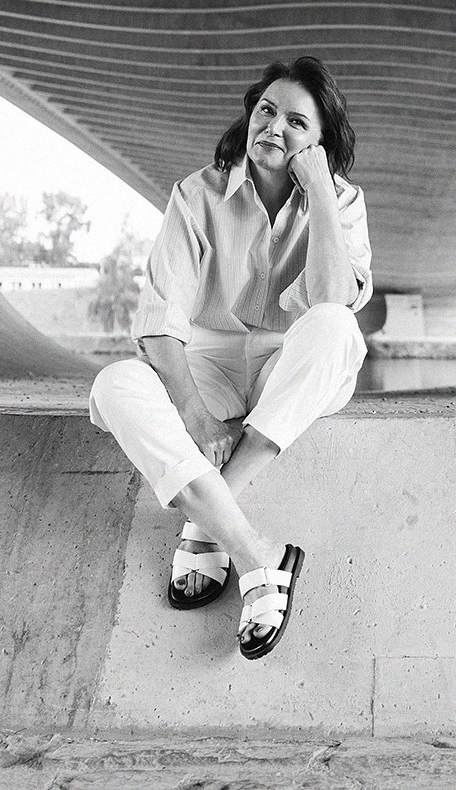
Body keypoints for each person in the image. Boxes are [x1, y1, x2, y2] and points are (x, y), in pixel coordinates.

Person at [87, 56, 371, 660]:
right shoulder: (197, 194)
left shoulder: (341, 200)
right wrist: (193, 416)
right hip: (208, 361)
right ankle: (255, 555)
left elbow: (330, 297)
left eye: (297, 122)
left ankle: (207, 521)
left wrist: (318, 188)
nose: (274, 126)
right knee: (116, 385)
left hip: (292, 364)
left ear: (321, 143)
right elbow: (161, 326)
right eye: (266, 110)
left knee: (334, 325)